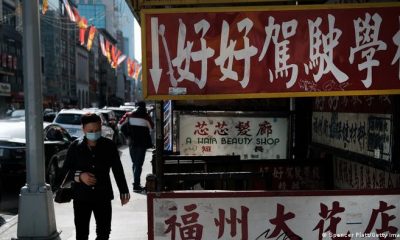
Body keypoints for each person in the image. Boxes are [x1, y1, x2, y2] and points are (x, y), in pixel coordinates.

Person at [63, 113, 130, 240]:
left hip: (103, 196)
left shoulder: (109, 146)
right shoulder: (75, 147)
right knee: (82, 234)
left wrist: (124, 191)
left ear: (101, 127)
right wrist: (80, 176)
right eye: (90, 131)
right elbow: (66, 171)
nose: (94, 133)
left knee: (104, 233)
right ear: (83, 130)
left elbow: (117, 169)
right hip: (81, 197)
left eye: (97, 130)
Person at [120, 101, 154, 192]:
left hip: (131, 142)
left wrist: (127, 135)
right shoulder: (146, 116)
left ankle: (136, 183)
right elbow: (152, 127)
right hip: (142, 144)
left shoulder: (129, 115)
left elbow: (120, 125)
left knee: (135, 163)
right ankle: (136, 185)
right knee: (138, 164)